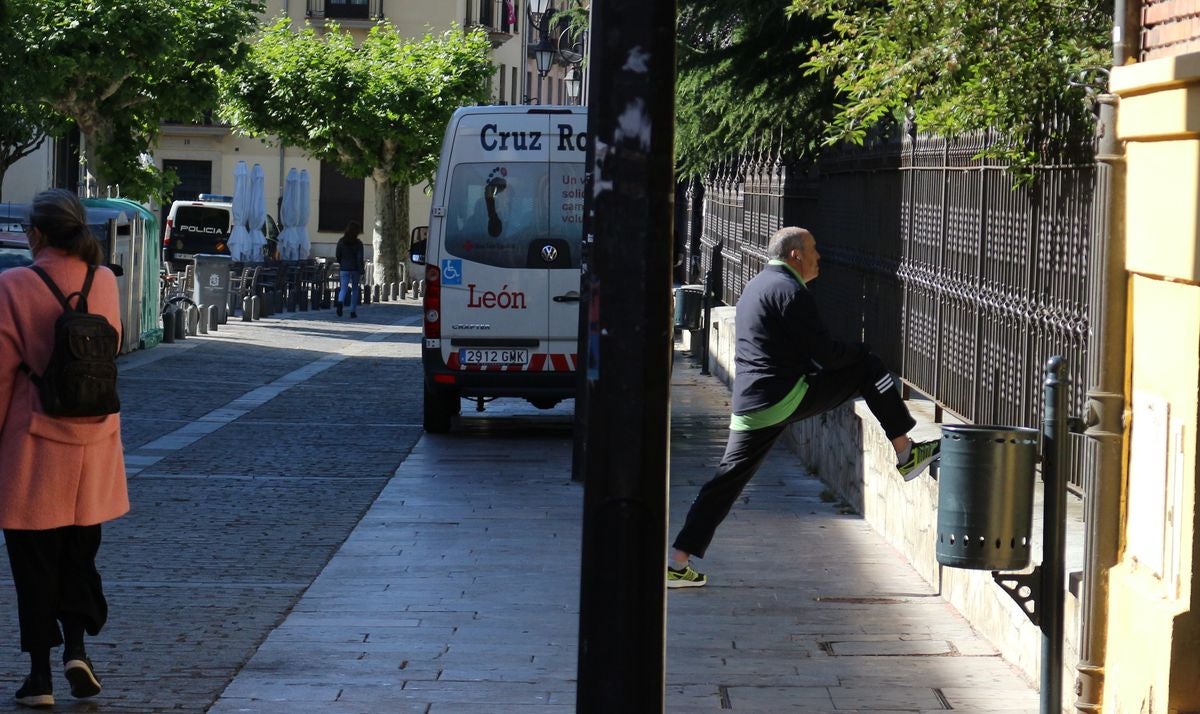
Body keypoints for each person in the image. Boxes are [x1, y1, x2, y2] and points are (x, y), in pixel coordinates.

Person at [667, 226, 940, 589]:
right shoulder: (791, 292)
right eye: (813, 249)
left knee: (725, 481)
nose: (819, 257)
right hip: (782, 397)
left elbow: (785, 347)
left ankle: (678, 563)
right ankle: (906, 453)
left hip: (752, 401)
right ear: (795, 254)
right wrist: (860, 351)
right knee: (868, 367)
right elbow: (824, 353)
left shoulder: (759, 285)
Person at [0, 188, 129, 706]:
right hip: (94, 441)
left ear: (36, 232)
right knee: (80, 555)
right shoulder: (104, 282)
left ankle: (40, 677)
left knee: (34, 565)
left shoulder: (14, 284)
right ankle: (77, 648)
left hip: (34, 443)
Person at [335, 220, 365, 318]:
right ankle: (353, 311)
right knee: (355, 289)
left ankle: (340, 302)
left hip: (344, 267)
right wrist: (361, 270)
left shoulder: (341, 241)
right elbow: (360, 258)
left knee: (343, 288)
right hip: (355, 268)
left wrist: (341, 262)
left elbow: (338, 255)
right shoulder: (358, 243)